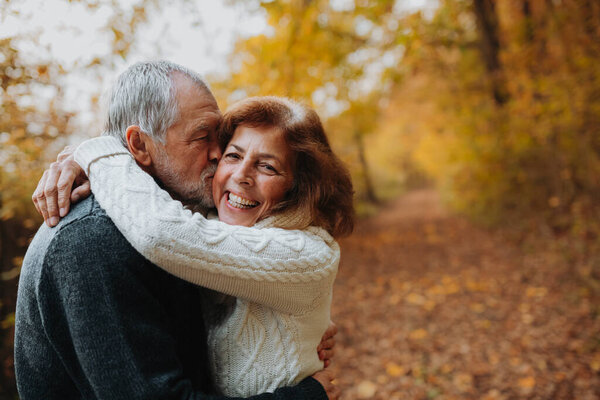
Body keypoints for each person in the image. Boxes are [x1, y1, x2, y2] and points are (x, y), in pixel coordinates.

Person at [16, 61, 339, 400]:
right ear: (139, 146)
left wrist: (299, 326)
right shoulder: (94, 240)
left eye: (220, 139)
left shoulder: (187, 219)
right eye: (203, 138)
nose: (218, 156)